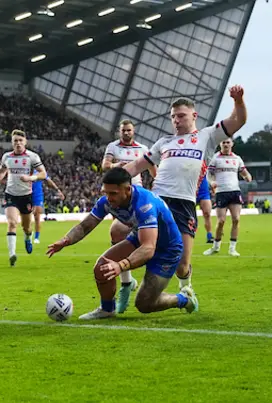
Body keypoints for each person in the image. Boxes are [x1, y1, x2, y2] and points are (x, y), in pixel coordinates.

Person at [124, 85, 247, 289]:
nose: (176, 120)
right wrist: (114, 178)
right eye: (173, 116)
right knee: (120, 231)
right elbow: (138, 165)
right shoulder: (164, 142)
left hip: (183, 203)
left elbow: (238, 120)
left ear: (194, 115)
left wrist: (238, 101)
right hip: (157, 201)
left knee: (182, 264)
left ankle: (185, 287)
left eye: (181, 115)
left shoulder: (207, 136)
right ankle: (126, 283)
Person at [47, 168, 197, 319]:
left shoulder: (145, 205)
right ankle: (107, 310)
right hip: (140, 238)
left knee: (144, 304)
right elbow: (85, 226)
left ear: (127, 189)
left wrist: (121, 265)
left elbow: (148, 248)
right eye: (106, 192)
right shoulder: (107, 202)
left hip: (166, 250)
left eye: (113, 193)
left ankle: (184, 299)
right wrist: (65, 240)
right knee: (102, 267)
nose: (108, 198)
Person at [101, 120, 155, 292]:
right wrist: (118, 165)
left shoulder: (143, 149)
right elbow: (105, 166)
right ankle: (127, 280)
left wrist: (157, 184)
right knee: (118, 232)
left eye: (129, 130)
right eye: (123, 130)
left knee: (123, 232)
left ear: (134, 131)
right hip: (119, 196)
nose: (126, 132)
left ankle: (131, 278)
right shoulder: (113, 147)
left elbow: (153, 169)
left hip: (137, 195)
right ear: (119, 131)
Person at [0, 129, 47, 266]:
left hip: (26, 196)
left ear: (25, 142)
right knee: (12, 223)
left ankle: (27, 238)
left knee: (27, 227)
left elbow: (43, 173)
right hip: (11, 195)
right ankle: (12, 255)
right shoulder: (7, 157)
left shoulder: (32, 157)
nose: (18, 143)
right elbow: (1, 171)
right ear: (12, 143)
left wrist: (30, 177)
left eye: (20, 140)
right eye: (15, 141)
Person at [204, 138, 252, 257]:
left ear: (232, 144)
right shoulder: (215, 158)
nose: (225, 144)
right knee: (221, 221)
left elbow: (244, 172)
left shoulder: (237, 158)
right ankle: (215, 247)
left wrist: (247, 176)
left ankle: (232, 248)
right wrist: (212, 182)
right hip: (221, 192)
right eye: (223, 142)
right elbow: (208, 174)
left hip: (234, 191)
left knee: (236, 219)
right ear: (220, 144)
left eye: (228, 142)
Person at [31, 170, 63, 244]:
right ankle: (28, 232)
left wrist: (57, 190)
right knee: (26, 216)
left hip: (37, 195)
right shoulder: (24, 169)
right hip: (26, 194)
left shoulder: (39, 170)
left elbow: (48, 181)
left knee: (37, 215)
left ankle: (36, 237)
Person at [196, 175, 214, 243]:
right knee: (189, 215)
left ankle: (209, 236)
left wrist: (212, 185)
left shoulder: (203, 165)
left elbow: (210, 174)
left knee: (207, 213)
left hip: (203, 191)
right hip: (190, 191)